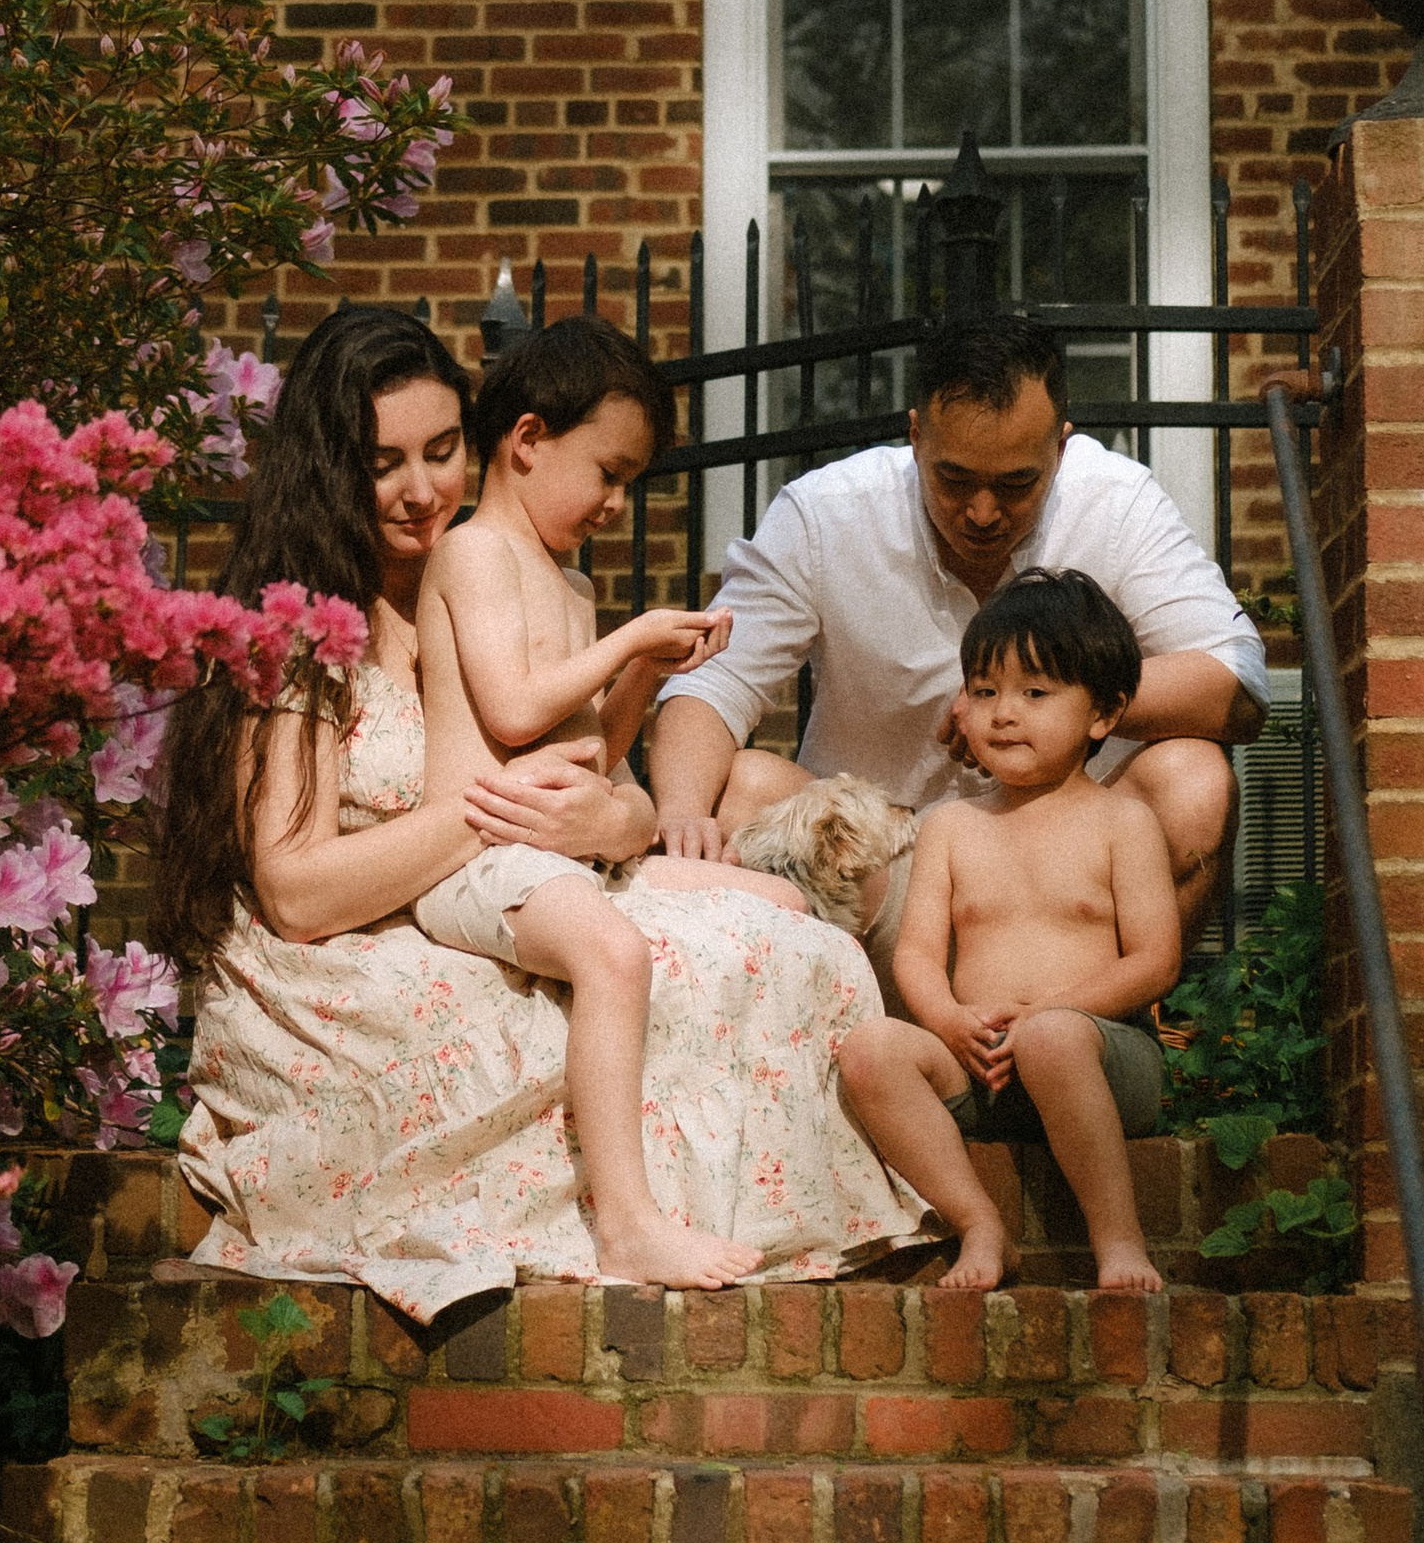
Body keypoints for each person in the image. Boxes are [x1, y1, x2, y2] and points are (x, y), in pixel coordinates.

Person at [156, 306, 931, 1320]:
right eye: (383, 461)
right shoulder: (303, 633)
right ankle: (632, 1217)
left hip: (518, 881)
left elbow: (592, 781)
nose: (423, 487)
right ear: (326, 464)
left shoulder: (489, 579)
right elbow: (297, 892)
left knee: (788, 934)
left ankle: (778, 1207)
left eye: (441, 450)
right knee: (649, 968)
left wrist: (608, 820)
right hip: (365, 942)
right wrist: (498, 818)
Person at [414, 318, 812, 1292]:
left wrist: (647, 668)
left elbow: (597, 752)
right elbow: (509, 708)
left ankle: (750, 1181)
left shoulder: (571, 582)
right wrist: (631, 637)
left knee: (788, 907)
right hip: (477, 861)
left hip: (564, 855)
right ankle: (628, 1224)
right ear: (526, 440)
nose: (617, 503)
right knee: (614, 952)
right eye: (608, 471)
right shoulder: (473, 555)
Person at [650, 311, 1267, 941]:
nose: (981, 512)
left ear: (1060, 447)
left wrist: (1042, 699)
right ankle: (844, 1019)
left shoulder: (1117, 500)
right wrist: (678, 812)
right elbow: (710, 686)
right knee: (745, 789)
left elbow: (1239, 683)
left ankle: (1096, 1015)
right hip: (877, 870)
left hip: (1066, 882)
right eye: (954, 479)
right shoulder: (824, 515)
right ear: (915, 437)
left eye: (1016, 484)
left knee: (1194, 780)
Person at [844, 570, 1180, 1296]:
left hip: (1097, 1056)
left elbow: (1155, 961)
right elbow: (918, 955)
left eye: (1035, 693)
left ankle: (1118, 1242)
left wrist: (1055, 1013)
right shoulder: (953, 827)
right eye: (984, 690)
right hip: (985, 1065)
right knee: (873, 1049)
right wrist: (948, 1021)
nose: (1002, 714)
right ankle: (979, 1223)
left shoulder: (1124, 820)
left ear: (1103, 714)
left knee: (1054, 1039)